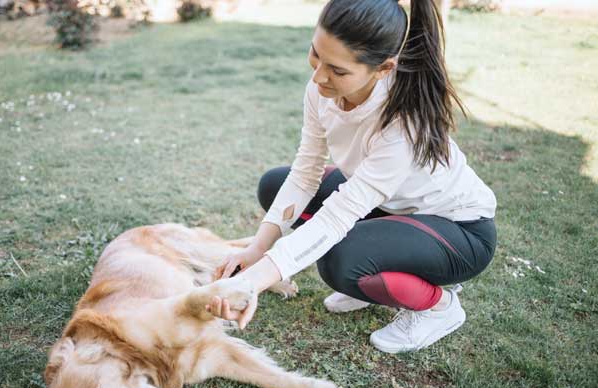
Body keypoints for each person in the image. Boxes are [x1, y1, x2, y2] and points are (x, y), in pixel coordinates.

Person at [207, 0, 497, 354]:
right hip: (391, 208)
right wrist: (257, 248)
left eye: (337, 71)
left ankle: (439, 306)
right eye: (316, 54)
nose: (318, 77)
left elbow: (337, 217)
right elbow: (305, 171)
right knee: (275, 184)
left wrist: (252, 282)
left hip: (460, 232)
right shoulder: (320, 89)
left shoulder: (404, 123)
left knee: (339, 259)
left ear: (383, 68)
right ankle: (373, 273)